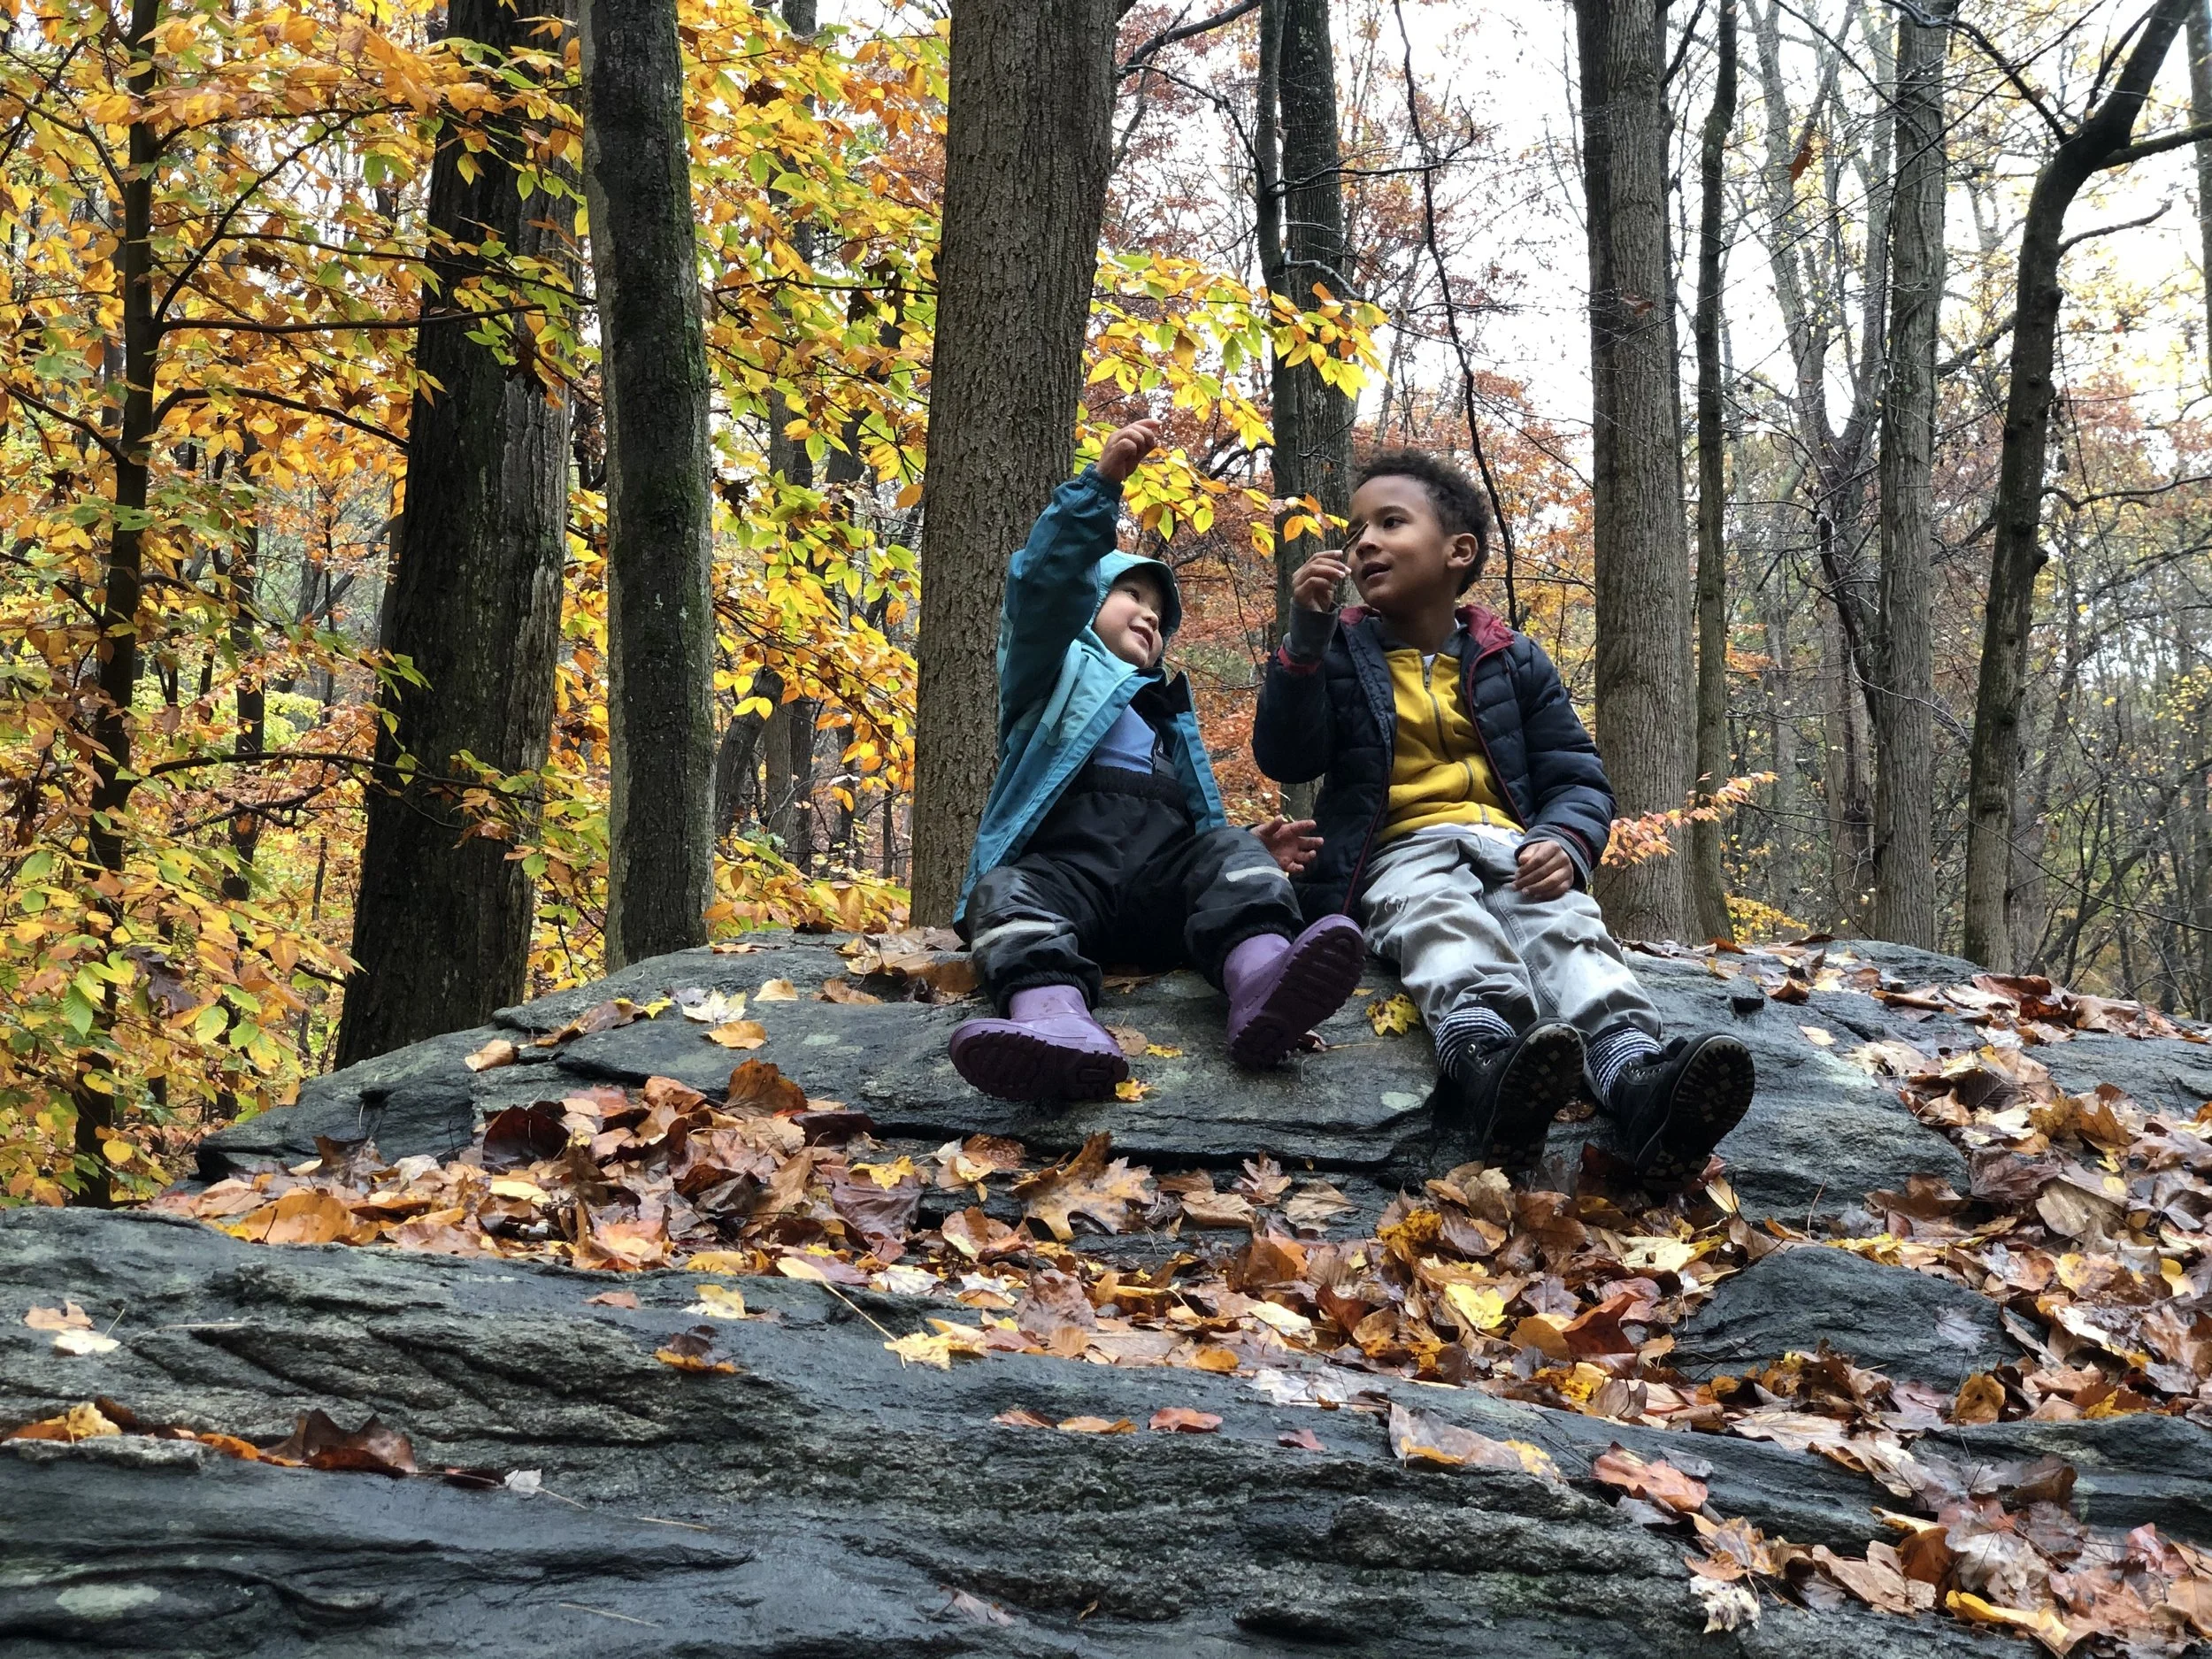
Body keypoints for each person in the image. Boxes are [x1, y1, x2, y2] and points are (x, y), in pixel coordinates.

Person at [1252, 448, 1755, 1186]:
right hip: (1401, 851)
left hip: (1515, 845)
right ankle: (1489, 1065)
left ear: (1459, 552)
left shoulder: (1515, 659)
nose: (1363, 542)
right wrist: (1303, 639)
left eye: (1391, 522)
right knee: (1440, 922)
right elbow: (1287, 755)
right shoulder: (1339, 654)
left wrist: (1565, 839)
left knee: (1568, 928)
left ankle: (1638, 1078)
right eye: (1357, 529)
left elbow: (1577, 776)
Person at [948, 419, 1365, 1102]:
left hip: (1156, 893)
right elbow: (1043, 589)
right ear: (1089, 605)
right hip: (1066, 879)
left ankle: (1264, 985)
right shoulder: (1048, 674)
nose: (1149, 616)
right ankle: (1055, 1022)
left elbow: (1198, 830)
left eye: (1160, 613)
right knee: (1004, 891)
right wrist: (1100, 488)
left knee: (1231, 852)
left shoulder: (1166, 713)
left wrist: (1242, 850)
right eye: (1130, 597)